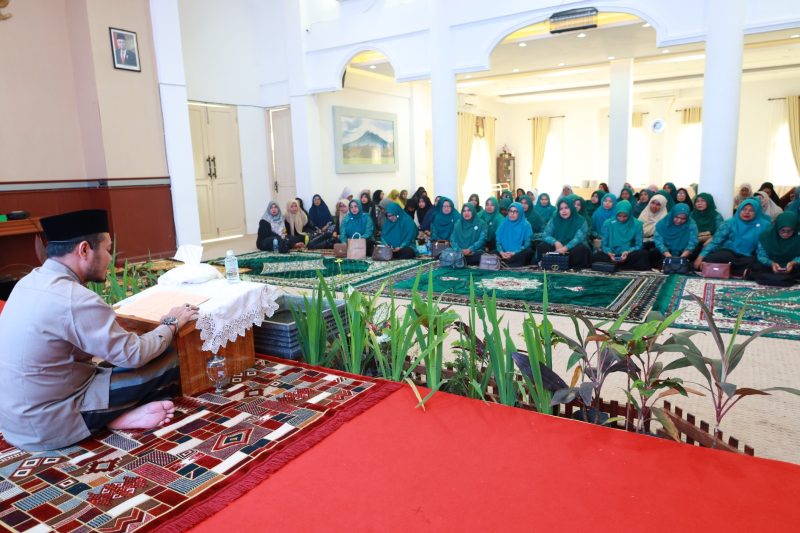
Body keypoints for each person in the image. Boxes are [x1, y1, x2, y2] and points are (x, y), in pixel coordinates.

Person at [0, 209, 197, 451]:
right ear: (84, 250)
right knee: (168, 358)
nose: (110, 258)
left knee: (116, 360)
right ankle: (107, 419)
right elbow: (134, 355)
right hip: (50, 425)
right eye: (107, 249)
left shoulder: (28, 282)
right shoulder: (74, 298)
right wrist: (171, 323)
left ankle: (115, 417)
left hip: (15, 421)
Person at [694, 198, 770, 276]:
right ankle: (739, 272)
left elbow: (762, 248)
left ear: (757, 212)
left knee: (759, 265)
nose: (747, 212)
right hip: (729, 252)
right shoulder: (729, 223)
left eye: (751, 210)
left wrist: (766, 261)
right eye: (744, 209)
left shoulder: (764, 225)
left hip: (748, 256)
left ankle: (725, 270)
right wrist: (700, 256)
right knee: (715, 258)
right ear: (739, 209)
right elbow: (715, 241)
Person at [592, 200, 650, 271]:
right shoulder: (608, 223)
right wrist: (609, 253)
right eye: (619, 216)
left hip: (628, 254)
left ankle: (617, 266)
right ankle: (620, 265)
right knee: (597, 256)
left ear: (629, 213)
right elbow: (604, 244)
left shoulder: (637, 224)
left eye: (625, 216)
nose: (622, 219)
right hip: (612, 254)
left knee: (643, 254)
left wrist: (627, 252)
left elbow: (639, 245)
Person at [537, 197, 590, 269]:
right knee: (542, 246)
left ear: (571, 208)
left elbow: (578, 239)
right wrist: (555, 242)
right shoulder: (555, 219)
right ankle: (551, 264)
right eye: (561, 209)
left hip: (572, 248)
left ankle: (573, 267)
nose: (564, 211)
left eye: (566, 208)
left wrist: (564, 248)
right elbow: (545, 235)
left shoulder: (580, 220)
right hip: (557, 247)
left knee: (581, 248)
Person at [751, 212, 800, 286]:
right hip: (770, 266)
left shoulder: (798, 236)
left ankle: (781, 278)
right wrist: (771, 263)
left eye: (790, 231)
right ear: (777, 227)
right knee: (756, 265)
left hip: (792, 267)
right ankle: (787, 279)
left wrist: (793, 262)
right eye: (782, 230)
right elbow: (762, 255)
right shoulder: (766, 236)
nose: (786, 234)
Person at [653, 203, 699, 268]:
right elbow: (659, 242)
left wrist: (681, 259)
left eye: (683, 219)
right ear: (672, 214)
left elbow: (693, 242)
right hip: (666, 252)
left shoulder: (691, 224)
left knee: (697, 252)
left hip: (684, 252)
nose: (679, 221)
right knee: (654, 253)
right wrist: (669, 257)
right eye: (676, 217)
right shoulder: (663, 223)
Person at [494, 202, 534, 267]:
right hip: (503, 254)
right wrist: (501, 252)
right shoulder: (503, 223)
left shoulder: (526, 225)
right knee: (492, 253)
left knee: (528, 252)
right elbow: (498, 242)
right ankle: (507, 263)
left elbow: (527, 243)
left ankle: (504, 263)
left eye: (515, 211)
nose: (512, 214)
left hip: (517, 254)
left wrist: (514, 253)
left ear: (520, 212)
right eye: (510, 211)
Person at [690, 192, 724, 258]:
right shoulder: (692, 215)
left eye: (703, 201)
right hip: (694, 242)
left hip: (711, 243)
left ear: (709, 202)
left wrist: (711, 239)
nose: (699, 203)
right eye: (697, 201)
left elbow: (720, 233)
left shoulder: (716, 216)